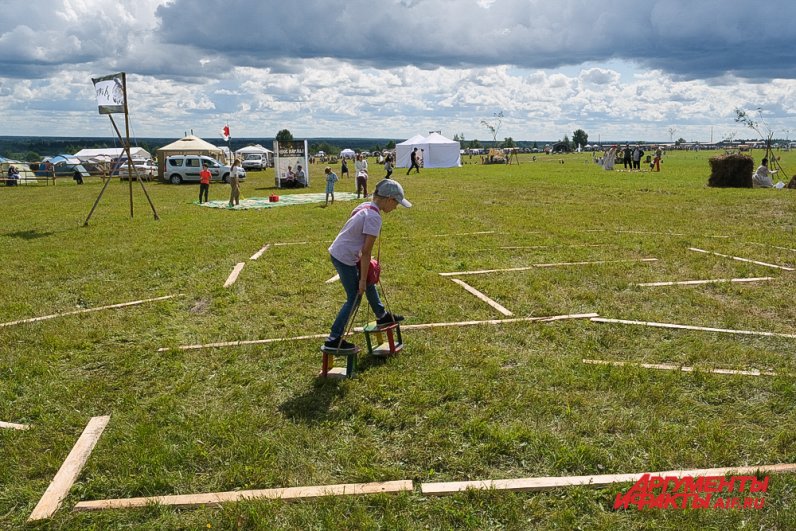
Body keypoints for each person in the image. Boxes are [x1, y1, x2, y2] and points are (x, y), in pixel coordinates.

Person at [324, 179, 412, 352]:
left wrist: (366, 275)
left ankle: (382, 316)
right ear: (388, 199)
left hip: (343, 251)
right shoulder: (373, 218)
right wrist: (362, 280)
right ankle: (334, 338)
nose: (395, 208)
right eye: (396, 203)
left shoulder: (366, 206)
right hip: (344, 257)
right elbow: (366, 252)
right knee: (355, 296)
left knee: (369, 278)